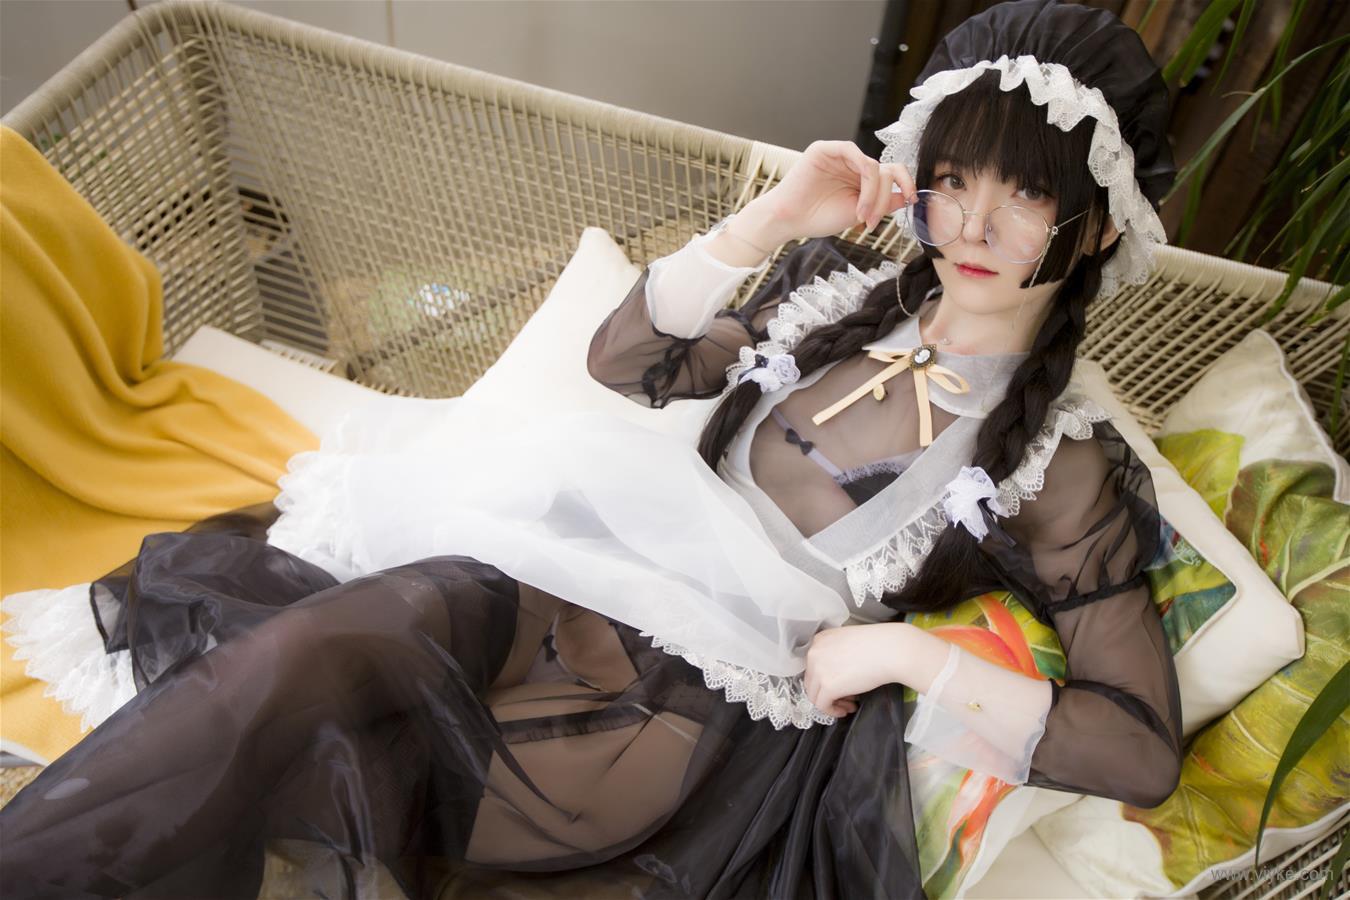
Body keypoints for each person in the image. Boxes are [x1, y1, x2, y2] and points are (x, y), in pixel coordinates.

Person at [0, 1, 1183, 897]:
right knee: (299, 665)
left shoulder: (1060, 462)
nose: (972, 224)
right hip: (560, 580)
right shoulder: (837, 295)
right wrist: (770, 220)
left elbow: (1136, 747)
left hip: (676, 712)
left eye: (1025, 198)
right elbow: (629, 364)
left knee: (342, 766)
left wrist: (901, 654)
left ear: (1094, 227)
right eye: (955, 180)